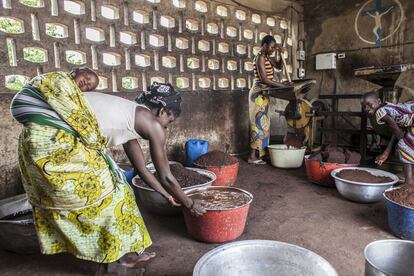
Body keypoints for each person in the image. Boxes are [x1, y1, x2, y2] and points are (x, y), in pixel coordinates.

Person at [10, 68, 204, 273]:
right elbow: (165, 174)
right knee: (107, 202)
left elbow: (142, 170)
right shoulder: (152, 123)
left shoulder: (132, 116)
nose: (165, 128)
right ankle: (113, 265)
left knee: (123, 193)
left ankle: (126, 255)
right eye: (169, 122)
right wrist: (190, 203)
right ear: (162, 111)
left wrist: (168, 196)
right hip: (56, 144)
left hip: (39, 144)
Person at [248, 35, 289, 164]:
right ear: (265, 45)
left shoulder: (266, 57)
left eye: (273, 48)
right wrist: (283, 85)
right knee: (257, 125)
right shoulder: (260, 57)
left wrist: (280, 54)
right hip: (258, 94)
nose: (272, 50)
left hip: (264, 94)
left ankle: (260, 154)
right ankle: (252, 157)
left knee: (264, 125)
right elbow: (264, 79)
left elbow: (278, 66)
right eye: (271, 47)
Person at [362, 91, 414, 185]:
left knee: (404, 148)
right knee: (406, 148)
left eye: (369, 104)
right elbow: (396, 129)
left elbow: (396, 129)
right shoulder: (387, 107)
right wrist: (386, 153)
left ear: (378, 101)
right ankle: (409, 181)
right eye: (364, 106)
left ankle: (409, 184)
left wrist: (403, 143)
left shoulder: (380, 112)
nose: (366, 108)